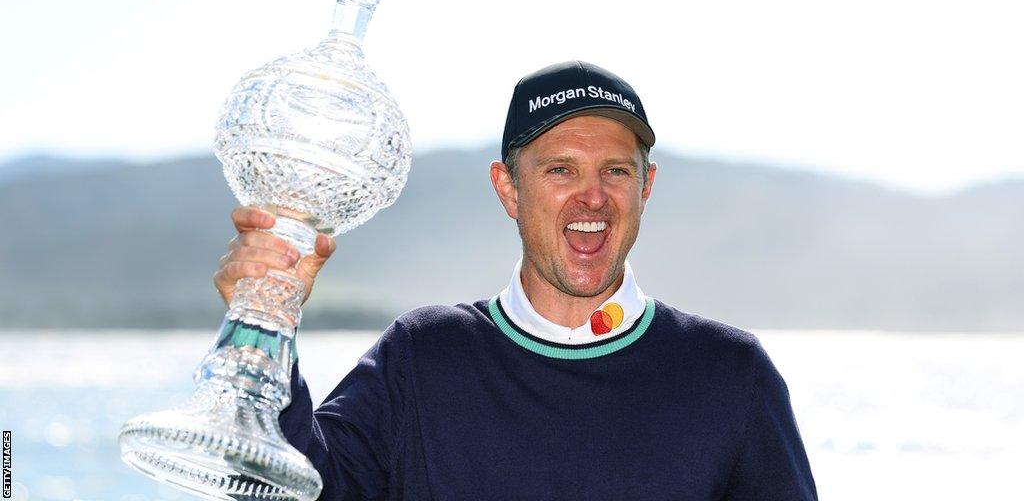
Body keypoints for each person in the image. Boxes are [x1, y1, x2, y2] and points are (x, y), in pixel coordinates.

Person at [214, 60, 818, 500]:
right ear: (509, 188)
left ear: (646, 187)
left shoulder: (729, 373)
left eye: (616, 170)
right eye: (560, 169)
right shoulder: (424, 356)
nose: (594, 196)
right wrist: (265, 321)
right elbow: (294, 486)